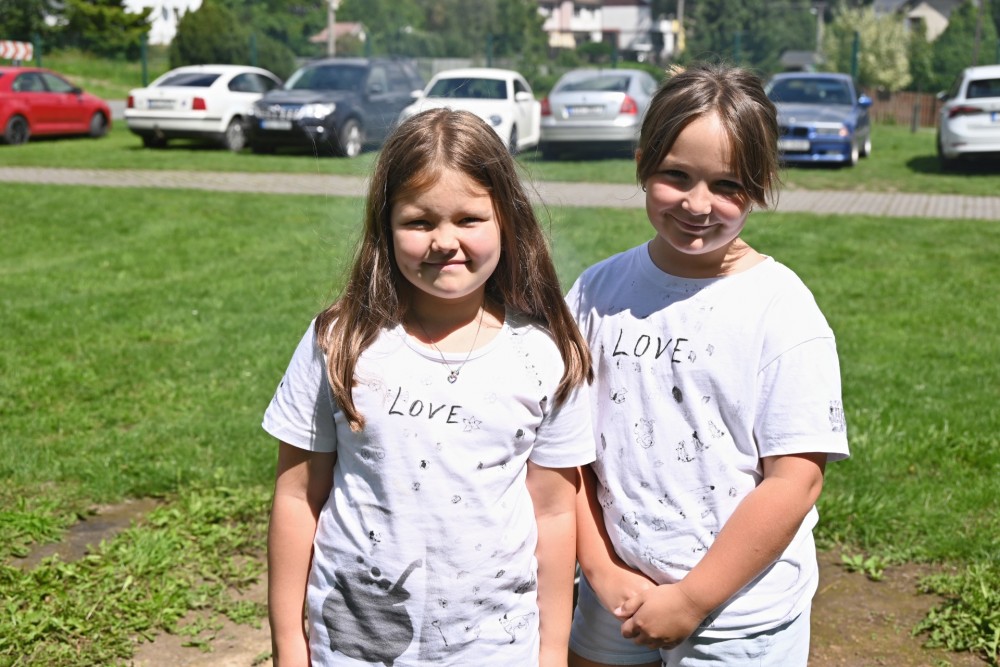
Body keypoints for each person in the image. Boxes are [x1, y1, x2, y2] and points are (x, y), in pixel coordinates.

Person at [262, 108, 594, 667]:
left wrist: (553, 651)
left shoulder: (545, 355)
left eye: (469, 218)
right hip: (355, 645)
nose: (445, 241)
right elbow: (297, 497)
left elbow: (555, 514)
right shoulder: (339, 341)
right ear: (385, 226)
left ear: (507, 221)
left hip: (493, 649)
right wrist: (289, 645)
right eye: (419, 222)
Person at [565, 62, 851, 667]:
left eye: (728, 185)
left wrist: (692, 599)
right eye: (676, 175)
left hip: (739, 616)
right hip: (614, 597)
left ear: (761, 184)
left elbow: (796, 479)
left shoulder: (782, 310)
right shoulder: (594, 292)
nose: (699, 204)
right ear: (643, 165)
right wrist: (603, 570)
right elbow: (566, 453)